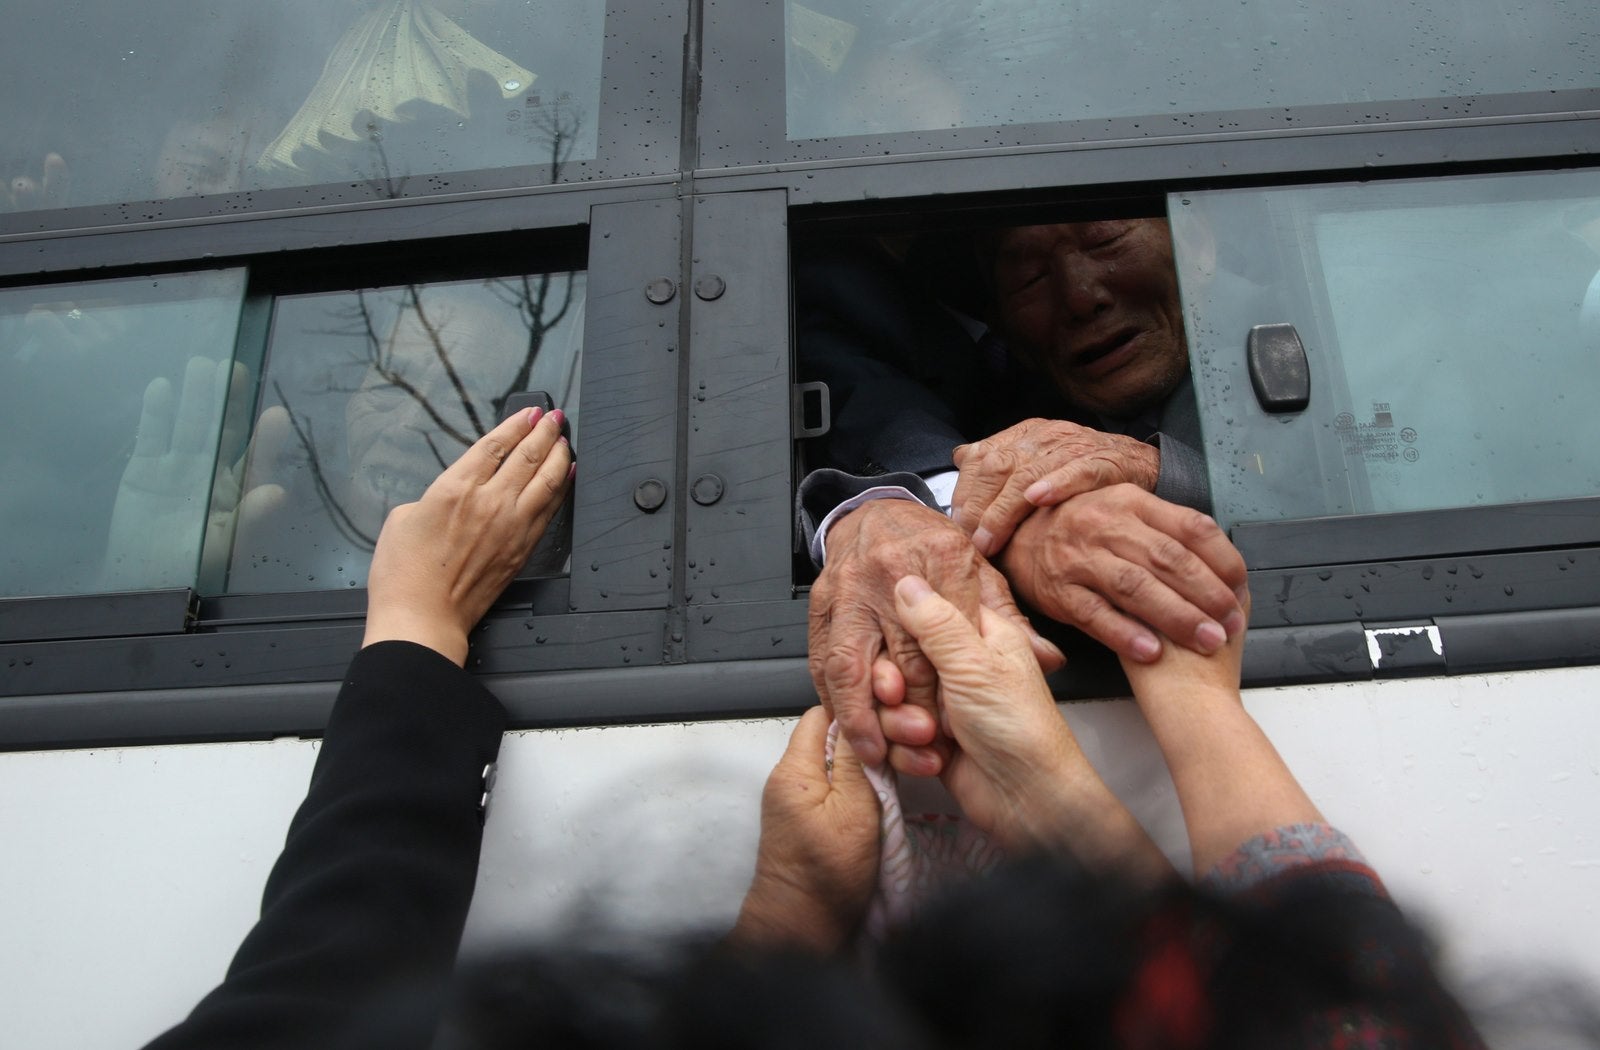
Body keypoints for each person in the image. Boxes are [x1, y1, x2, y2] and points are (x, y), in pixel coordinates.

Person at [140, 403, 574, 1050]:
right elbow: (318, 1009)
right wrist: (419, 626)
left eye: (441, 395)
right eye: (389, 384)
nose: (403, 420)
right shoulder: (261, 558)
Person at [798, 216, 1247, 772]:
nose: (1081, 297)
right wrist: (896, 511)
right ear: (1003, 329)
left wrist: (1156, 470)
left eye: (1106, 241)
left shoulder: (1319, 320)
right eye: (1030, 279)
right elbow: (893, 421)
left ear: (1197, 238)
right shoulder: (1009, 413)